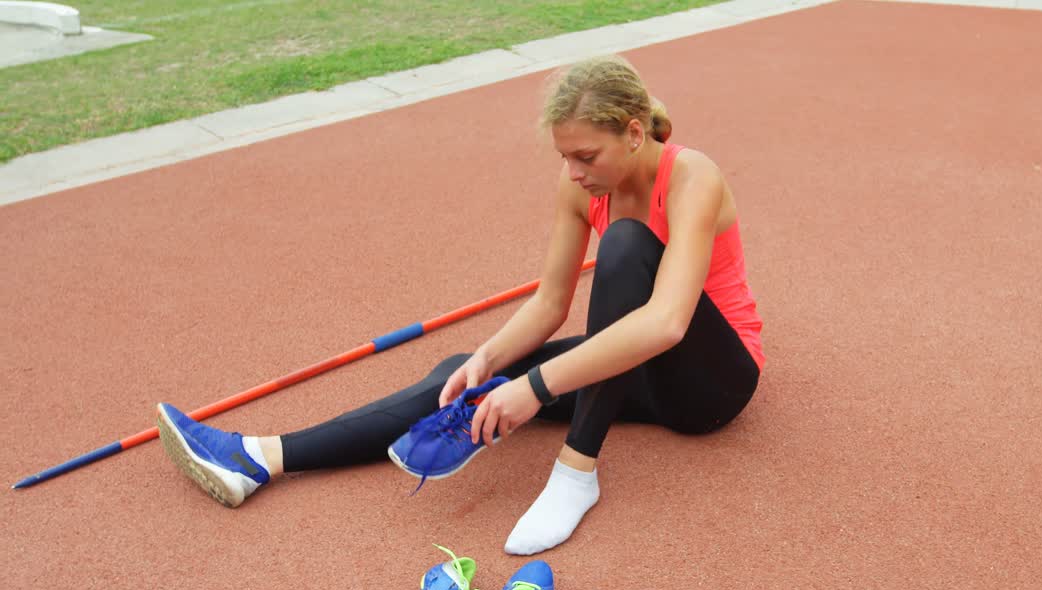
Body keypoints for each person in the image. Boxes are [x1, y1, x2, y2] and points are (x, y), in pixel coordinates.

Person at [155, 55, 765, 556]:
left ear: (635, 133)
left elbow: (666, 322)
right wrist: (490, 359)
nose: (574, 172)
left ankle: (576, 472)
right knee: (459, 374)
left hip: (710, 383)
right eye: (563, 157)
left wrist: (534, 388)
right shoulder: (579, 186)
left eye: (587, 156)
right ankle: (258, 459)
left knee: (628, 248)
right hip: (636, 371)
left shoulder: (692, 178)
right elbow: (551, 302)